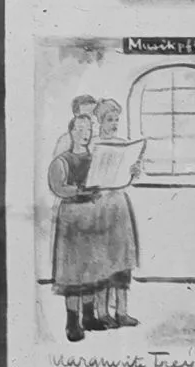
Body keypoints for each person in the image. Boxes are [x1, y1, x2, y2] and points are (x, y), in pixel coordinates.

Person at [46, 99, 139, 339]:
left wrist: (127, 172)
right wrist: (80, 191)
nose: (86, 134)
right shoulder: (63, 157)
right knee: (74, 272)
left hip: (92, 215)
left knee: (91, 269)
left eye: (88, 130)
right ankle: (73, 322)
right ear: (72, 130)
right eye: (81, 129)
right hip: (75, 218)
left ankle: (89, 317)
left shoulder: (92, 155)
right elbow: (59, 185)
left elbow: (104, 178)